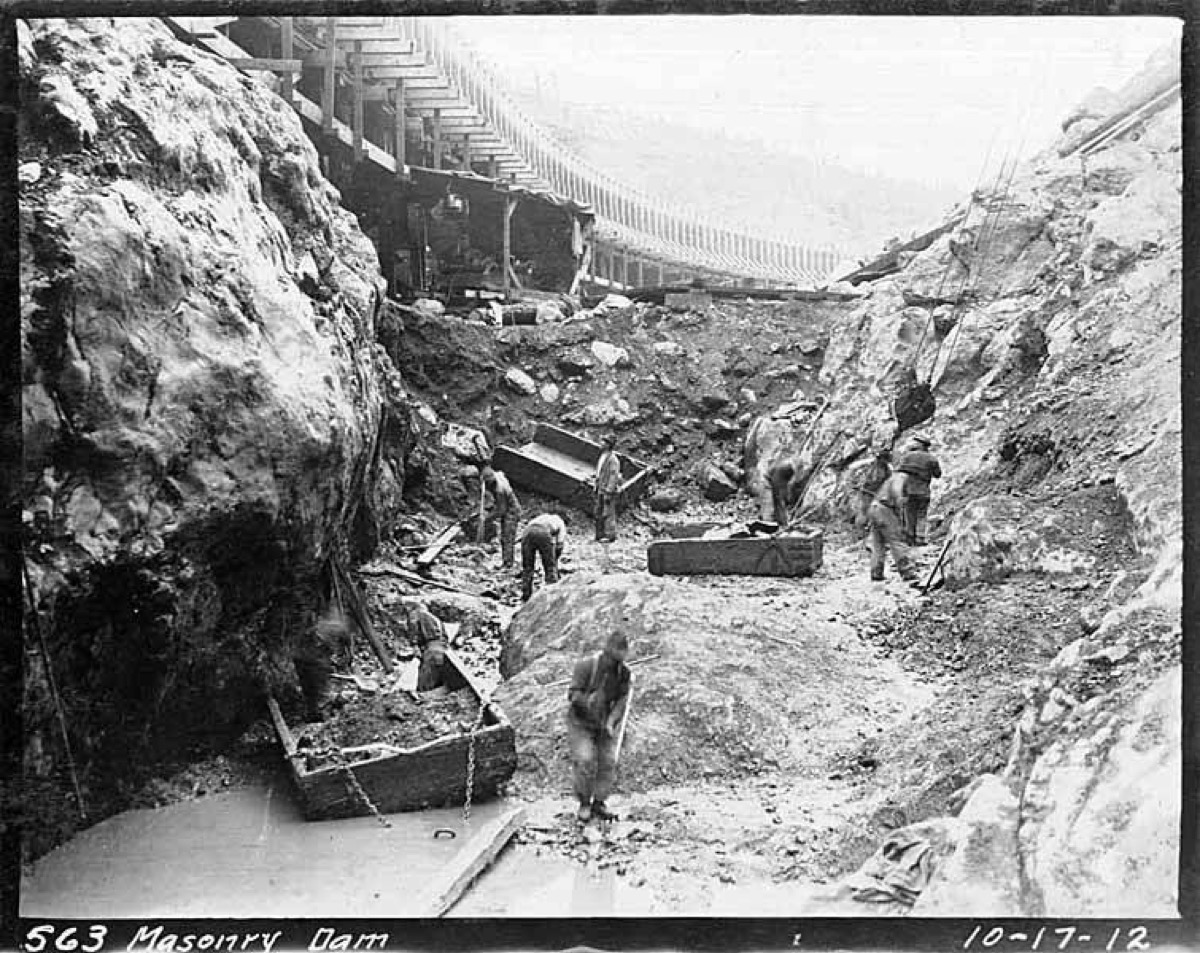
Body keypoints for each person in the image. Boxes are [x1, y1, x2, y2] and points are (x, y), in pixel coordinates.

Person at [566, 630, 632, 823]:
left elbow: (622, 700)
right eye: (612, 659)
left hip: (603, 723)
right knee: (585, 759)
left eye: (619, 660)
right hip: (580, 722)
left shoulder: (624, 673)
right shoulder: (586, 666)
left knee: (609, 761)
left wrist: (612, 722)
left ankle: (599, 802)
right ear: (606, 653)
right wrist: (587, 701)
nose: (615, 664)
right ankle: (584, 803)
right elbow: (572, 694)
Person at [866, 471, 919, 584]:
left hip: (874, 508)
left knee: (878, 542)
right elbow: (896, 491)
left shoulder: (892, 477)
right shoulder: (901, 477)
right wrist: (900, 503)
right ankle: (907, 571)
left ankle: (876, 572)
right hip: (885, 509)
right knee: (896, 540)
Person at [893, 433, 941, 546]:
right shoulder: (932, 459)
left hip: (908, 491)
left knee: (909, 513)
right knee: (921, 515)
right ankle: (920, 538)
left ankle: (910, 538)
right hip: (923, 491)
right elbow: (938, 474)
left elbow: (898, 472)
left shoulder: (907, 457)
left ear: (919, 444)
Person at [519, 512, 567, 602]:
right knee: (549, 567)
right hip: (543, 532)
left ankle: (526, 595)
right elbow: (560, 544)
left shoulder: (542, 517)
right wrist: (554, 560)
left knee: (527, 567)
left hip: (527, 531)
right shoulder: (560, 523)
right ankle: (552, 593)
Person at [481, 466, 522, 568]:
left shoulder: (500, 489)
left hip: (512, 511)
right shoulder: (498, 474)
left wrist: (487, 519)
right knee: (505, 537)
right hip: (507, 507)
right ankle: (506, 561)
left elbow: (501, 510)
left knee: (507, 537)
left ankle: (508, 564)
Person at [405, 601, 449, 691]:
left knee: (424, 688)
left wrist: (414, 645)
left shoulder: (416, 614)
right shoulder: (436, 619)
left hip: (431, 652)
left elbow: (413, 629)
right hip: (444, 651)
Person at [855, 448, 892, 534]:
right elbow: (869, 478)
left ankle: (870, 531)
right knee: (865, 511)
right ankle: (861, 532)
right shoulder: (871, 466)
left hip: (876, 493)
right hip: (868, 492)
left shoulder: (886, 468)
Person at [593, 436, 623, 542]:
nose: (601, 444)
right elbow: (600, 472)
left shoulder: (613, 459)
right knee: (598, 511)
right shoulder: (603, 456)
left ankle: (610, 536)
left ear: (608, 445)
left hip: (607, 490)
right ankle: (599, 534)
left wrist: (609, 491)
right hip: (600, 488)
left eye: (604, 442)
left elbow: (613, 476)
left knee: (608, 513)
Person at [767, 460, 796, 529]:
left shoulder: (784, 481)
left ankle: (781, 522)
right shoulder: (776, 476)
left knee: (779, 501)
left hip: (776, 480)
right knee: (773, 503)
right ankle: (771, 524)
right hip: (770, 481)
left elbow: (784, 494)